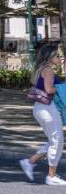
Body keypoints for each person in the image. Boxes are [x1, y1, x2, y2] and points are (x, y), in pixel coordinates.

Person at [21, 44, 65, 184]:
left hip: (41, 108)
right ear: (50, 57)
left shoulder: (42, 69)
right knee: (57, 140)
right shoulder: (48, 70)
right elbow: (49, 89)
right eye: (57, 55)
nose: (60, 58)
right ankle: (51, 176)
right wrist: (63, 87)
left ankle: (30, 162)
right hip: (48, 109)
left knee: (54, 140)